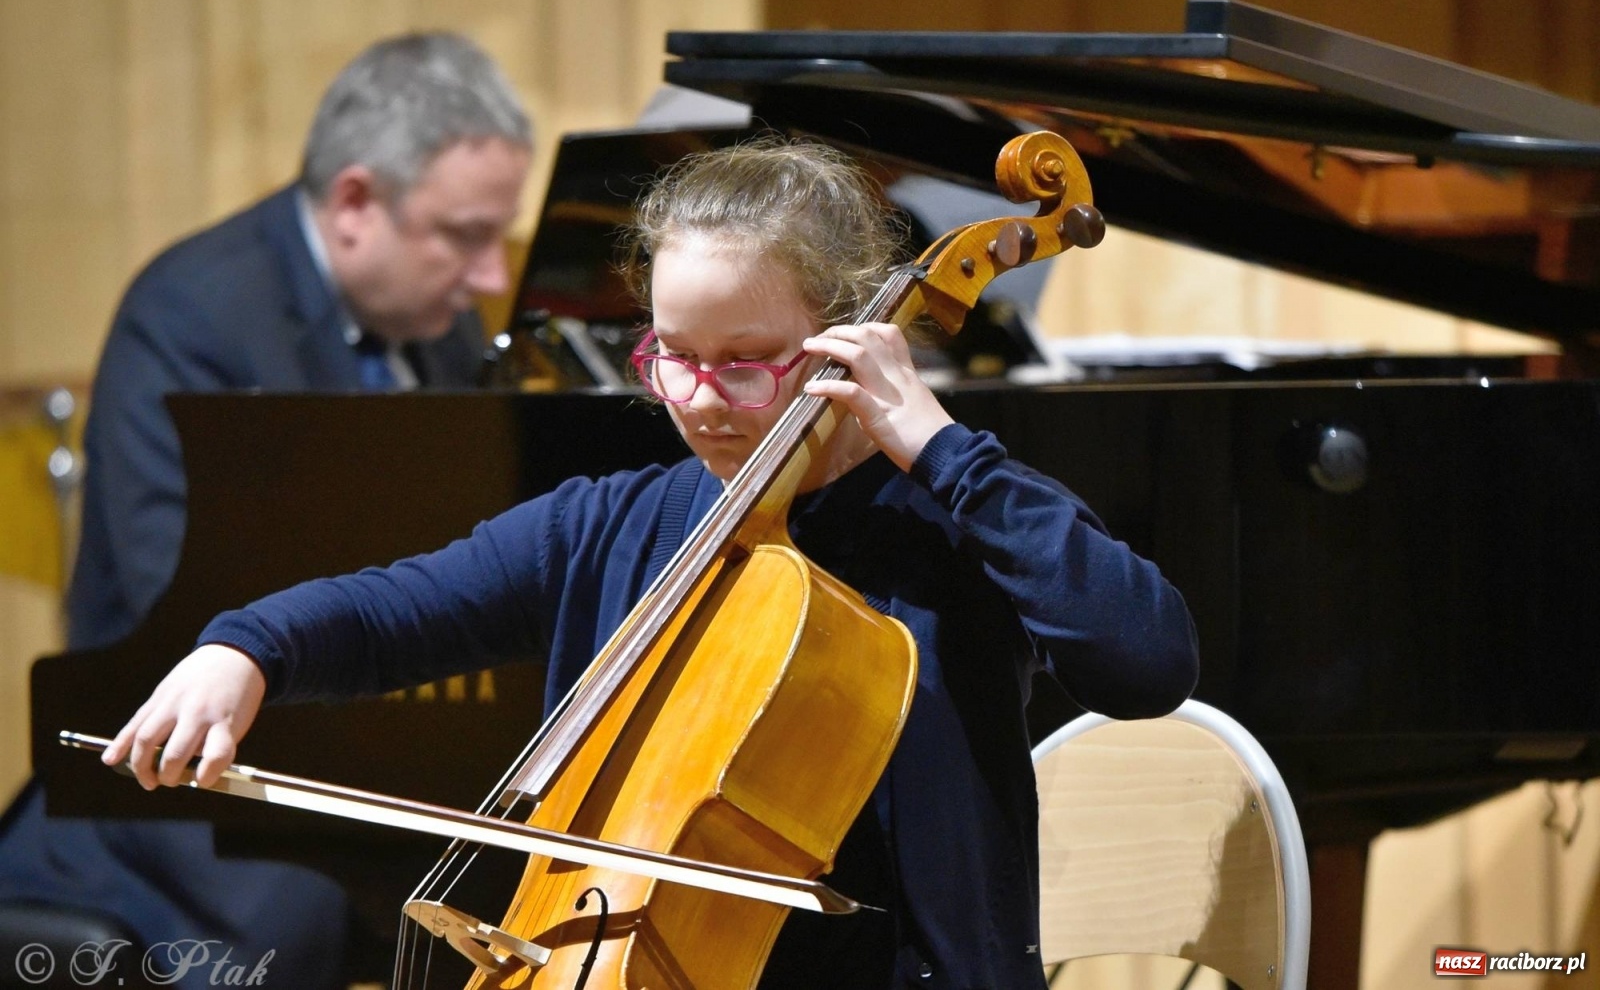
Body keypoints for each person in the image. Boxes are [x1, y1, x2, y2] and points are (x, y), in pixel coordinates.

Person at [106, 138, 1198, 989]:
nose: (703, 402)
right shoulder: (613, 523)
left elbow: (1145, 661)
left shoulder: (956, 519)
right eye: (673, 356)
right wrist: (242, 650)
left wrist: (943, 448)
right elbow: (397, 612)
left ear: (848, 345)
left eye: (748, 364)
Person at [0, 31, 532, 989]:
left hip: (378, 731)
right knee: (319, 914)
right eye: (464, 235)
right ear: (358, 203)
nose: (492, 278)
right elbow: (188, 591)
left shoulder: (441, 333)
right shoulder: (192, 316)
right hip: (197, 765)